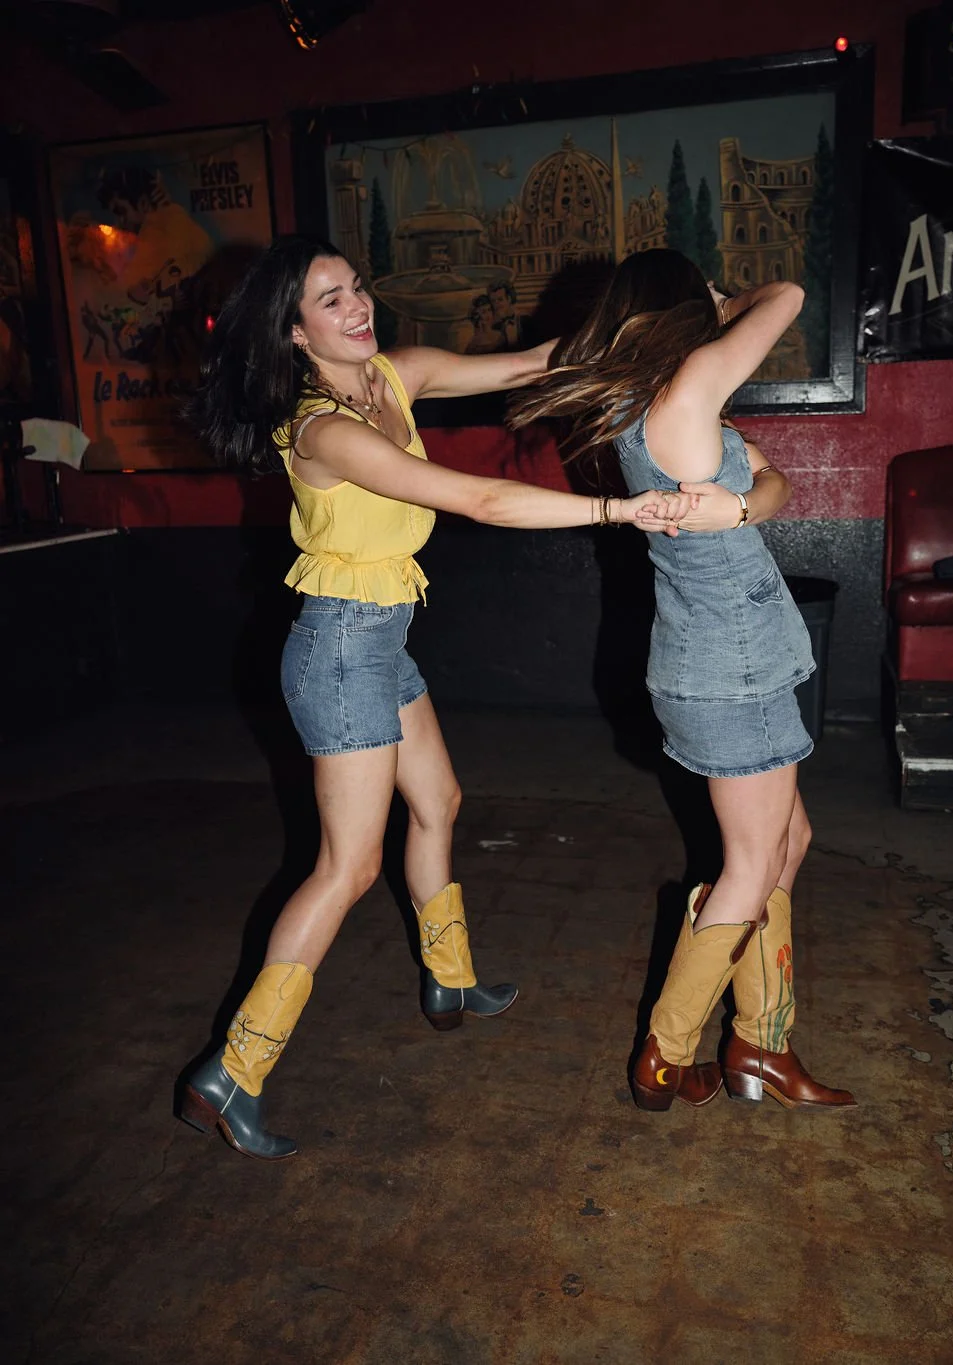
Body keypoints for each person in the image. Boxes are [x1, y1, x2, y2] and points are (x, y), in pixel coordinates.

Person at [180, 234, 683, 1160]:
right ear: (294, 332)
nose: (357, 306)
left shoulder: (393, 375)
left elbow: (531, 362)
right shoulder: (323, 429)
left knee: (440, 802)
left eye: (357, 287)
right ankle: (233, 1071)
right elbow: (479, 500)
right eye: (330, 300)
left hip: (378, 639)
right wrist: (620, 510)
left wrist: (642, 324)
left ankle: (449, 979)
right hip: (340, 651)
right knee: (347, 866)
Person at [508, 249, 855, 1114]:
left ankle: (761, 1044)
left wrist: (742, 502)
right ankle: (667, 1054)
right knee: (754, 861)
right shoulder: (687, 394)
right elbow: (789, 294)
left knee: (786, 842)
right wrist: (729, 301)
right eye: (704, 297)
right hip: (732, 664)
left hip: (726, 656)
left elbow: (773, 484)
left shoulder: (657, 406)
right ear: (683, 309)